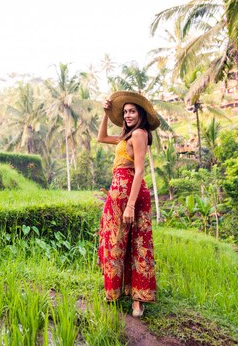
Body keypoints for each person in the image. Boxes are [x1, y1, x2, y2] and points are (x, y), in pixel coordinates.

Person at [97, 91, 159, 317]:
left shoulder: (140, 134)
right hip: (117, 194)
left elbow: (140, 170)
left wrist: (131, 205)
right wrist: (106, 114)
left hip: (132, 195)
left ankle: (137, 301)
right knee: (114, 240)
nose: (128, 115)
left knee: (138, 244)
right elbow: (101, 137)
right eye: (125, 112)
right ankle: (115, 293)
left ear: (140, 114)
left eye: (132, 111)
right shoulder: (126, 136)